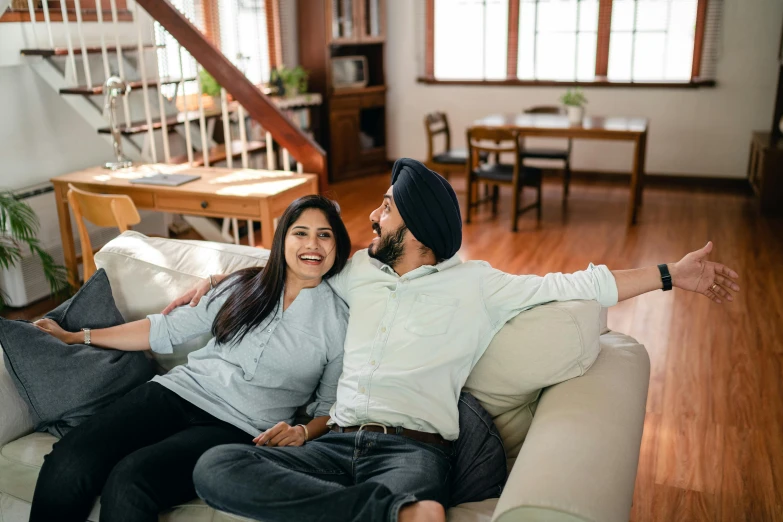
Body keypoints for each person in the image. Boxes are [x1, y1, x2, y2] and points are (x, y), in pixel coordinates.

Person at [171, 159, 740, 522]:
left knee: (420, 508)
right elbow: (293, 265)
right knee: (216, 466)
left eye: (387, 208)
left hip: (412, 451)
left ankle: (392, 510)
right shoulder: (357, 272)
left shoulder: (478, 285)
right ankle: (380, 515)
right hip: (333, 443)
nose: (373, 216)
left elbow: (580, 283)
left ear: (416, 231)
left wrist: (672, 274)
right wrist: (222, 278)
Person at [28, 195, 352, 522]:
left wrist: (304, 432)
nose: (313, 244)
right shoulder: (243, 285)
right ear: (282, 238)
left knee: (129, 481)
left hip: (239, 428)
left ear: (337, 245)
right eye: (301, 232)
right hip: (177, 392)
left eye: (324, 234)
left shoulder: (338, 323)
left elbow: (329, 407)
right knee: (70, 458)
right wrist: (76, 336)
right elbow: (164, 329)